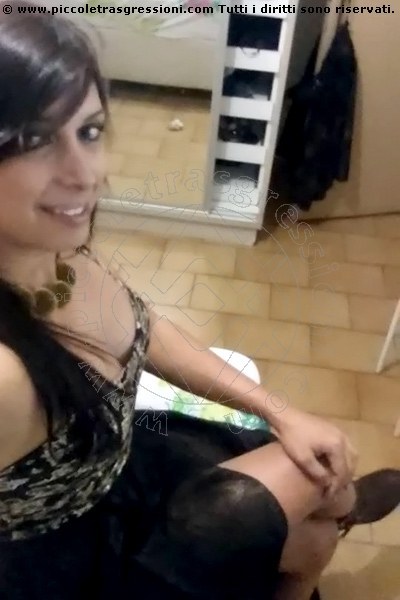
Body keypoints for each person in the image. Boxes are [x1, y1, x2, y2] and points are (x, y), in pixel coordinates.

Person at [0, 3, 399, 599]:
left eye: (89, 131)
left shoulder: (56, 253)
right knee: (300, 492)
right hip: (81, 560)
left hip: (120, 465)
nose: (85, 174)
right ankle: (339, 510)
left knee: (311, 517)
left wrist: (278, 409)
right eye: (34, 141)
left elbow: (143, 329)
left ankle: (334, 514)